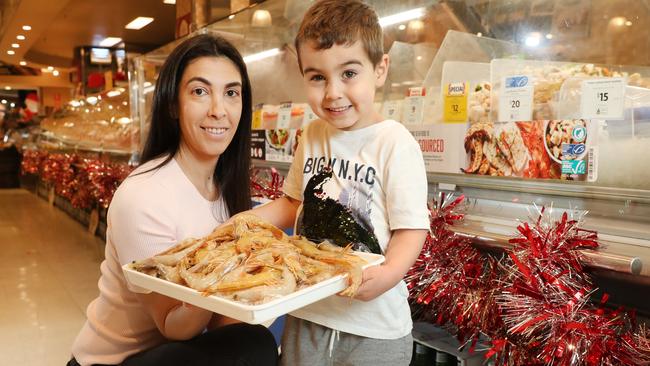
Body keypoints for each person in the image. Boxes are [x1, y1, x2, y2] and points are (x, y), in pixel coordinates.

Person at [68, 34, 278, 366]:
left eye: (231, 93)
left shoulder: (225, 190)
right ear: (172, 106)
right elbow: (174, 327)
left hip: (173, 355)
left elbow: (221, 321)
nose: (218, 110)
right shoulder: (144, 196)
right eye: (199, 91)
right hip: (115, 361)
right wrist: (221, 265)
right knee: (256, 345)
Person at [246, 1, 430, 365]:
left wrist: (390, 274)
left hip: (373, 327)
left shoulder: (394, 142)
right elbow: (293, 203)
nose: (332, 93)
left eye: (348, 73)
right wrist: (243, 221)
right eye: (317, 77)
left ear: (380, 69)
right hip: (306, 311)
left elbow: (412, 228)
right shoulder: (313, 133)